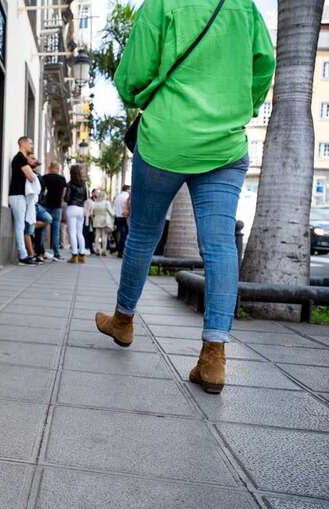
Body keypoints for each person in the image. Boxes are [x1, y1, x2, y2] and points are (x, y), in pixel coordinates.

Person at [95, 0, 275, 396]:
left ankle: (123, 321)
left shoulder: (162, 4)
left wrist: (141, 97)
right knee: (220, 245)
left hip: (166, 138)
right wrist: (238, 110)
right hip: (225, 143)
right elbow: (264, 65)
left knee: (143, 235)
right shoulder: (244, 7)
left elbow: (134, 74)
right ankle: (214, 356)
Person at [9, 137, 38, 265]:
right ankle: (23, 255)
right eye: (30, 143)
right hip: (17, 196)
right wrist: (32, 174)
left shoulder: (22, 158)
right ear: (22, 143)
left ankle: (24, 254)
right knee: (20, 226)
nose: (32, 145)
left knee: (21, 225)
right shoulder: (20, 158)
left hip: (19, 196)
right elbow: (31, 177)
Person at [41, 161, 67, 260]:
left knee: (43, 228)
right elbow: (63, 194)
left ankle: (41, 251)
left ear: (50, 168)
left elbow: (43, 191)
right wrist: (59, 201)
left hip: (46, 206)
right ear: (58, 168)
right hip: (57, 207)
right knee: (56, 231)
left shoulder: (45, 177)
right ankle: (56, 253)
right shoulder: (62, 179)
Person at [65, 164, 88, 264]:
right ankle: (82, 256)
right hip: (81, 209)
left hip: (72, 208)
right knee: (80, 233)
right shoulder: (84, 184)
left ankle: (74, 256)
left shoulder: (70, 184)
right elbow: (86, 197)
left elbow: (67, 198)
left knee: (72, 233)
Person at [91, 190, 115, 256]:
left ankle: (97, 249)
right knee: (104, 235)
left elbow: (91, 213)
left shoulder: (95, 203)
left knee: (97, 235)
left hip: (96, 220)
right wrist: (114, 216)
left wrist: (93, 219)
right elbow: (111, 212)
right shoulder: (106, 203)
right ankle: (104, 250)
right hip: (104, 220)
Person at [112, 185, 130, 257]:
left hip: (118, 217)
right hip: (124, 217)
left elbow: (114, 207)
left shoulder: (118, 196)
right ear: (127, 189)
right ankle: (121, 251)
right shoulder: (127, 196)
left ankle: (119, 251)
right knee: (124, 235)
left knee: (121, 235)